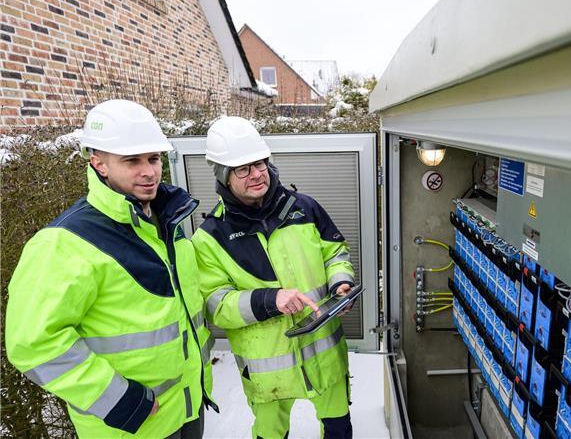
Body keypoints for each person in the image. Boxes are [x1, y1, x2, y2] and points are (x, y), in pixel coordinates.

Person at [5, 99, 216, 438]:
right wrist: (122, 402)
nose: (149, 171)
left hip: (186, 409)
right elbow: (33, 343)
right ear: (99, 163)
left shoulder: (164, 223)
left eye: (153, 158)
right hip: (128, 425)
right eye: (132, 160)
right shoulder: (64, 243)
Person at [192, 116, 355, 439]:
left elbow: (335, 252)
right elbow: (215, 304)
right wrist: (269, 300)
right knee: (269, 433)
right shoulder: (210, 238)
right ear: (224, 176)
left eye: (260, 164)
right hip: (268, 369)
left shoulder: (305, 208)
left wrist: (340, 283)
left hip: (325, 359)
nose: (257, 174)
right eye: (243, 169)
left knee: (338, 428)